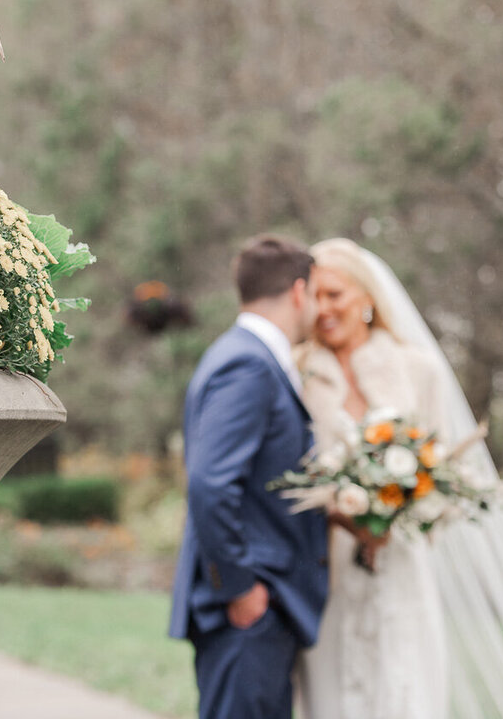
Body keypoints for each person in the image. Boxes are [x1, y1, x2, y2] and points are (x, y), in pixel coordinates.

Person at [295, 237, 503, 719]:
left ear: (366, 298)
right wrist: (345, 516)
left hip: (401, 563)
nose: (323, 309)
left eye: (334, 294)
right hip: (327, 570)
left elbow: (445, 472)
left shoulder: (417, 370)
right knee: (334, 691)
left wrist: (401, 512)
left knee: (405, 687)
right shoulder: (300, 374)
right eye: (314, 297)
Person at [169, 234, 329, 719]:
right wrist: (238, 587)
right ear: (299, 291)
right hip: (247, 609)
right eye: (318, 295)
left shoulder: (246, 356)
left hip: (257, 608)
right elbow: (210, 483)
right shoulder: (248, 364)